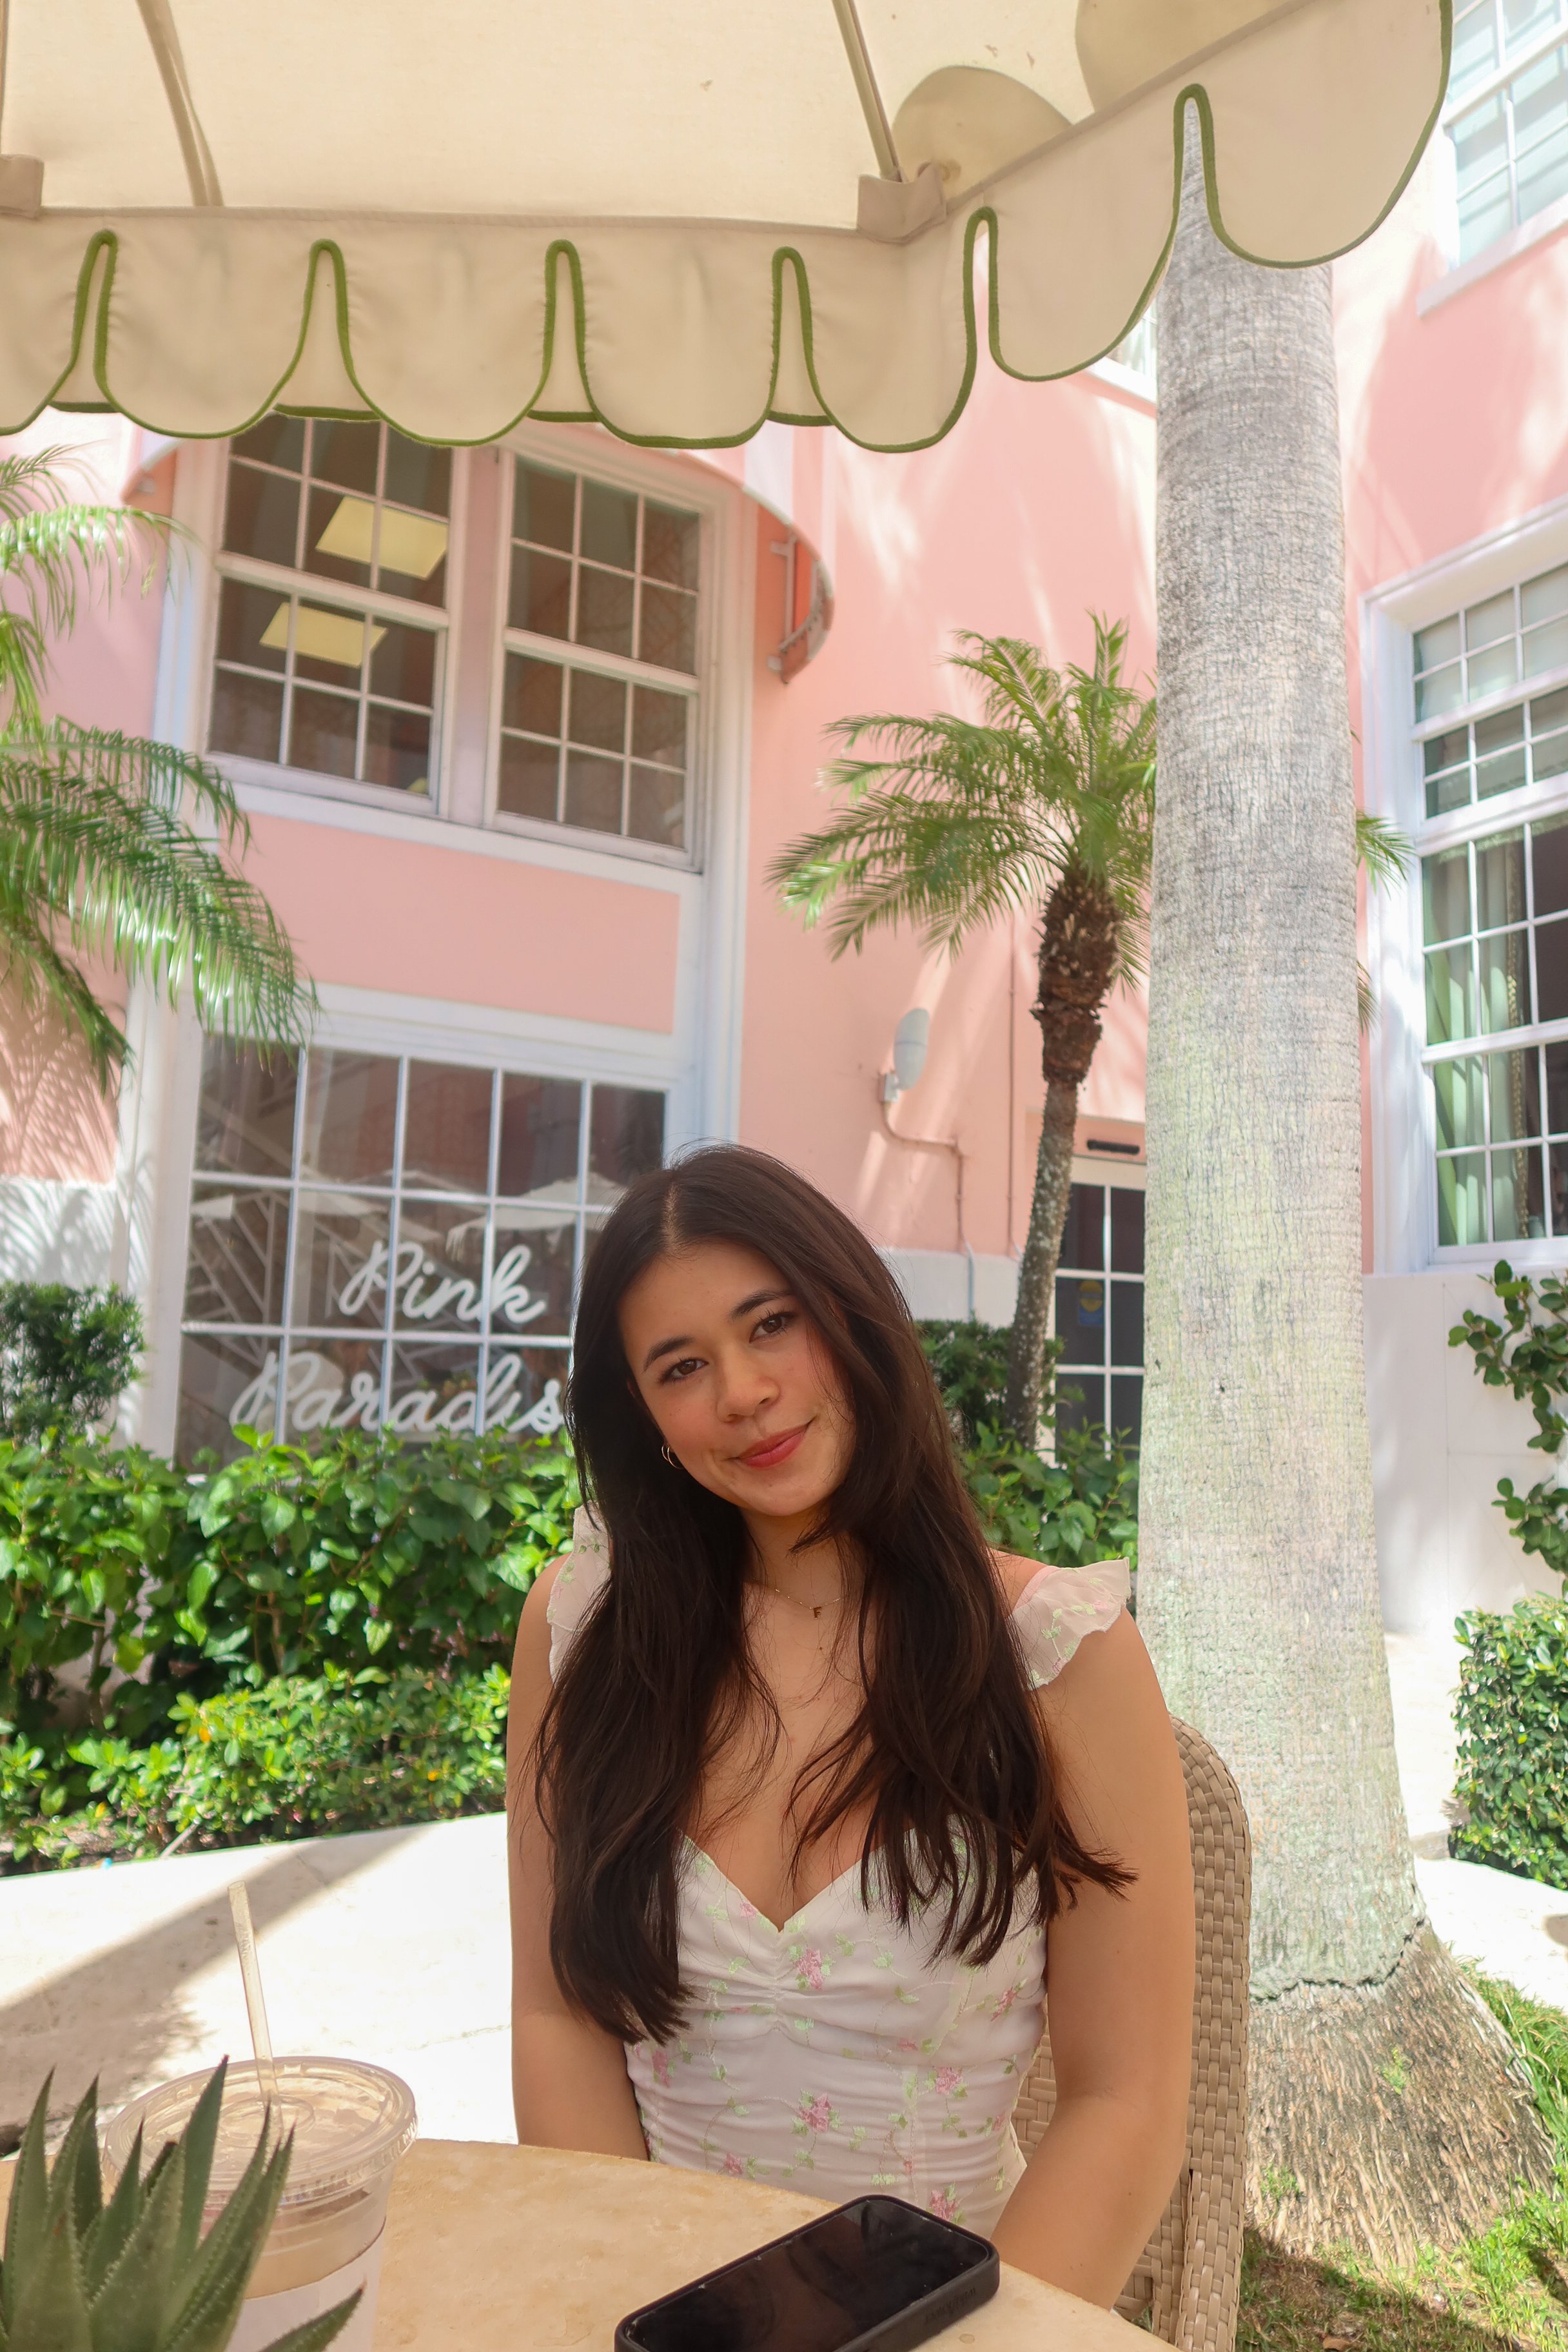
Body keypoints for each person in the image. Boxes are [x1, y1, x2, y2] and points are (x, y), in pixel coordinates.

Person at [507, 1146, 1193, 2308]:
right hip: (662, 2310)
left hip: (970, 2320)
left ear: (853, 1313)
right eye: (682, 1366)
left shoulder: (1058, 1659)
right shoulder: (582, 1636)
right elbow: (556, 2013)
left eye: (771, 1323)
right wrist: (644, 2310)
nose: (742, 1391)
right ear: (649, 1420)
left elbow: (1122, 2102)